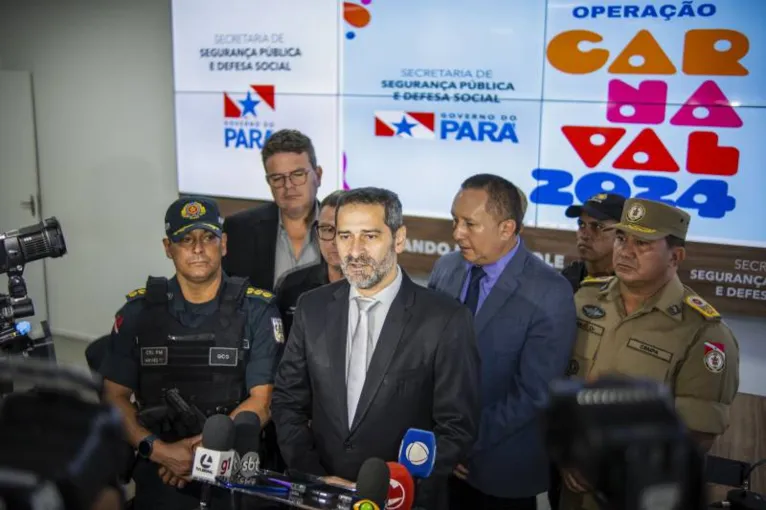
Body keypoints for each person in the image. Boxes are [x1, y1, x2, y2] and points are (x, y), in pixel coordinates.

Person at [271, 187, 481, 509]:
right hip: (322, 495)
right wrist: (314, 477)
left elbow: (456, 427)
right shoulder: (312, 308)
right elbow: (287, 401)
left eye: (369, 236)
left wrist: (396, 485)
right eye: (344, 236)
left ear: (399, 239)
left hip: (404, 500)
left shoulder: (445, 319)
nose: (354, 251)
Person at [100, 197, 284, 510]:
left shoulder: (258, 310)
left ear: (223, 244)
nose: (198, 248)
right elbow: (113, 396)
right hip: (161, 465)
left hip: (235, 467)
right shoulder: (137, 313)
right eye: (185, 239)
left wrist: (200, 455)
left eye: (208, 237)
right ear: (167, 247)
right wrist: (160, 451)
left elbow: (263, 399)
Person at [560, 198, 740, 510]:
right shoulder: (585, 299)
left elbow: (696, 434)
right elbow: (563, 382)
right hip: (572, 485)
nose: (625, 251)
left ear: (676, 256)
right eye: (620, 238)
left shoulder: (704, 332)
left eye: (642, 243)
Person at [428, 174, 577, 510]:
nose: (457, 233)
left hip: (499, 471)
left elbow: (534, 393)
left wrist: (462, 443)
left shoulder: (550, 291)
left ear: (507, 228)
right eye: (455, 220)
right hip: (435, 461)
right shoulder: (445, 268)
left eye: (469, 224)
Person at [549, 192, 624, 510]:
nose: (584, 232)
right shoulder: (559, 286)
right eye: (581, 224)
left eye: (598, 226)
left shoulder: (635, 296)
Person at [223, 129, 323, 291]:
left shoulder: (343, 230)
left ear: (318, 176)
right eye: (277, 178)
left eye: (297, 174)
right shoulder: (238, 230)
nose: (288, 186)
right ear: (269, 182)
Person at [275, 189, 346, 339]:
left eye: (344, 232)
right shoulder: (292, 286)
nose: (334, 241)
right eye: (327, 230)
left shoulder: (377, 290)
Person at [560, 193, 625, 292]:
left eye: (597, 226)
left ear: (621, 234)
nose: (584, 235)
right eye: (581, 224)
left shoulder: (632, 286)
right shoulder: (567, 279)